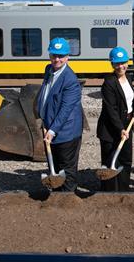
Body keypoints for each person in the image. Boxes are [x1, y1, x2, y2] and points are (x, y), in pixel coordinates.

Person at [37, 38, 83, 192]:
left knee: (67, 170)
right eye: (54, 55)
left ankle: (68, 202)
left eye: (61, 56)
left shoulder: (70, 80)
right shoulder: (48, 69)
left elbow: (66, 109)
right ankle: (57, 197)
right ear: (49, 55)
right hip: (49, 127)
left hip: (66, 132)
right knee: (54, 166)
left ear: (67, 57)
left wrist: (52, 130)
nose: (57, 59)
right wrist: (42, 117)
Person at [96, 47, 134, 191]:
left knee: (125, 159)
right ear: (112, 64)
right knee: (110, 161)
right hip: (111, 128)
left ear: (127, 63)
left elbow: (130, 98)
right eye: (117, 63)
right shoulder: (109, 82)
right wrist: (120, 128)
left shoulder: (128, 78)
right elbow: (111, 110)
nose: (120, 66)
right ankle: (109, 192)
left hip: (127, 124)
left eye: (123, 63)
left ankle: (123, 189)